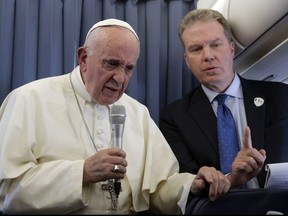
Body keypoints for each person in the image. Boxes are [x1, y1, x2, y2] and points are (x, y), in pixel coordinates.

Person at [0, 18, 234, 215]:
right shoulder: (28, 99)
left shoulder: (137, 113)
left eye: (129, 68)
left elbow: (160, 187)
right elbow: (8, 192)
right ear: (83, 58)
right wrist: (81, 172)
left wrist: (191, 185)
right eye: (111, 64)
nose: (120, 78)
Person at [159, 8, 288, 190]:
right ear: (187, 61)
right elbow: (187, 185)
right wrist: (229, 179)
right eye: (196, 49)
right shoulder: (175, 117)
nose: (208, 56)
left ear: (231, 49)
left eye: (216, 45)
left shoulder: (281, 96)